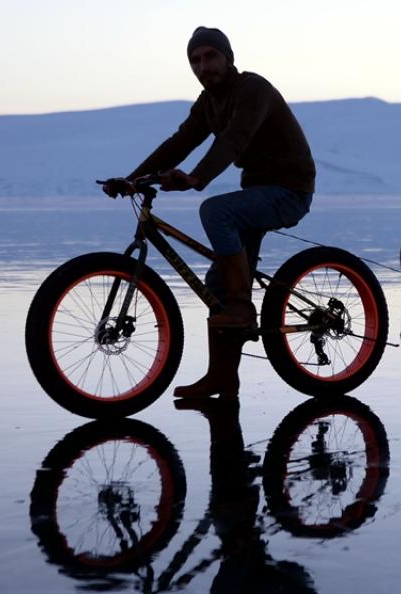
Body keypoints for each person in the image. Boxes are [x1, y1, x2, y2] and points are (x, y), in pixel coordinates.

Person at [102, 26, 315, 399]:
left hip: (289, 191)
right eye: (195, 60)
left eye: (210, 56)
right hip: (256, 194)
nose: (203, 66)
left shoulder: (253, 89)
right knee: (217, 285)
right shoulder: (207, 103)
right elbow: (179, 142)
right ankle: (222, 378)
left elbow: (234, 139)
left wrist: (197, 177)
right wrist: (132, 179)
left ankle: (242, 307)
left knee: (216, 211)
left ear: (228, 58)